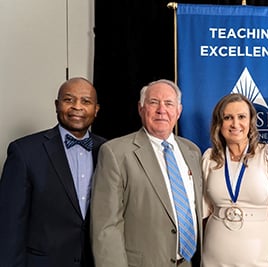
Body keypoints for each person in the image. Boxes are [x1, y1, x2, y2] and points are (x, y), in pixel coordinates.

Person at [90, 79, 203, 267]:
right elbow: (106, 226)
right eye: (153, 102)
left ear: (179, 111)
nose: (161, 110)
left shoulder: (192, 152)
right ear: (141, 108)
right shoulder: (115, 153)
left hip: (189, 262)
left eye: (169, 103)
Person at [0, 77, 106, 267]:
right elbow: (9, 226)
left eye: (86, 101)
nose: (77, 107)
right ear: (57, 105)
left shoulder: (109, 151)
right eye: (69, 100)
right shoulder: (24, 152)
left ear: (96, 109)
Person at [202, 93, 268, 267]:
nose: (235, 124)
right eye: (228, 117)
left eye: (241, 117)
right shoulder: (209, 158)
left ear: (251, 122)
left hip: (261, 257)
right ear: (219, 124)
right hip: (214, 255)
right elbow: (202, 211)